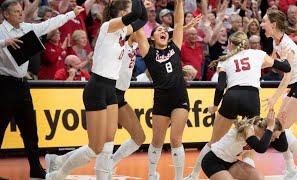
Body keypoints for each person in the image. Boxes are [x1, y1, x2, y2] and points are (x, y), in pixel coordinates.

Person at [45, 0, 147, 179]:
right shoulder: (107, 27)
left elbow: (142, 18)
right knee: (95, 147)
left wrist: (140, 4)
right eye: (129, 11)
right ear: (123, 14)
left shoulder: (123, 32)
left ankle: (99, 174)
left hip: (111, 90)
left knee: (108, 144)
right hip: (97, 87)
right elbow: (136, 15)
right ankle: (58, 175)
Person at [185, 31, 292, 180]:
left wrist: (215, 107)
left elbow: (221, 87)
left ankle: (193, 175)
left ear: (230, 44)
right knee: (250, 138)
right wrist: (286, 57)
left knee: (213, 142)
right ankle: (251, 171)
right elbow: (286, 67)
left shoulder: (225, 60)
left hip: (232, 97)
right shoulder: (257, 54)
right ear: (246, 44)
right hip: (251, 97)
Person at [0, 0, 84, 179]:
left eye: (20, 11)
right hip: (4, 85)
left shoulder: (26, 28)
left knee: (30, 130)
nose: (21, 14)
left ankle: (36, 168)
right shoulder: (0, 32)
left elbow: (49, 24)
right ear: (5, 14)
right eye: (16, 12)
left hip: (22, 85)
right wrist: (3, 43)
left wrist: (72, 14)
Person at [135, 0, 191, 179]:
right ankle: (152, 174)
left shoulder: (175, 47)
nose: (163, 31)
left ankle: (179, 177)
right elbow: (138, 30)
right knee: (157, 141)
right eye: (159, 30)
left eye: (164, 30)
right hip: (161, 100)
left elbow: (178, 23)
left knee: (176, 139)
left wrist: (179, 3)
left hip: (180, 98)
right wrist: (141, 8)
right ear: (152, 37)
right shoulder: (149, 53)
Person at [260, 10, 297, 179]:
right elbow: (268, 61)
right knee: (279, 129)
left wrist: (274, 98)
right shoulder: (275, 42)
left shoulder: (287, 46)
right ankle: (292, 168)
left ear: (273, 24)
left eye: (264, 22)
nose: (262, 25)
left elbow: (287, 77)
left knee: (278, 128)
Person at [202, 109, 288, 180]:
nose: (273, 139)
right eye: (272, 136)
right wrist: (270, 127)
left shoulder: (263, 135)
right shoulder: (248, 129)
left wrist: (282, 129)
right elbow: (260, 149)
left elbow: (283, 148)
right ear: (266, 130)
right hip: (213, 161)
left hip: (231, 162)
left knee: (259, 178)